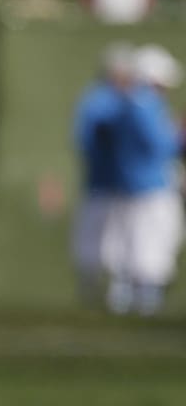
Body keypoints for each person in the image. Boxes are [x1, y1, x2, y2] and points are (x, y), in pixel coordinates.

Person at [72, 43, 183, 314]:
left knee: (129, 243)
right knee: (146, 242)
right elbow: (158, 145)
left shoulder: (130, 103)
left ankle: (129, 298)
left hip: (129, 185)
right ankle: (142, 300)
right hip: (146, 187)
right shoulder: (140, 104)